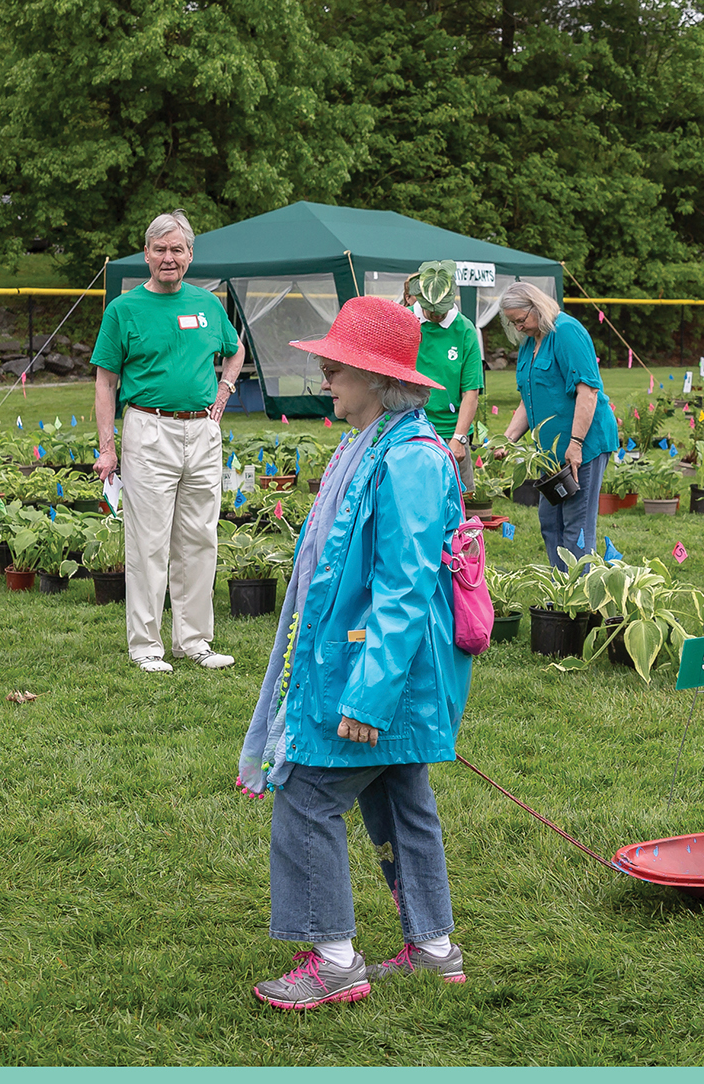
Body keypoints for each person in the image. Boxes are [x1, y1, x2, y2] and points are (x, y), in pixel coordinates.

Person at [238, 294, 471, 1010]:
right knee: (401, 798)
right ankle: (433, 948)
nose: (326, 381)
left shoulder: (409, 462)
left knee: (306, 796)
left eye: (336, 369)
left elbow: (403, 588)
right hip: (373, 663)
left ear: (376, 379)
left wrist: (369, 694)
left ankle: (333, 959)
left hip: (378, 672)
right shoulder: (368, 445)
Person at [93, 210, 243, 674]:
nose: (168, 258)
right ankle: (146, 647)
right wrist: (107, 446)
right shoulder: (123, 310)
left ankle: (194, 641)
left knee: (200, 539)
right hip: (148, 429)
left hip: (202, 431)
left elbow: (234, 350)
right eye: (160, 249)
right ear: (146, 254)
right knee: (148, 542)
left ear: (190, 255)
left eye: (177, 249)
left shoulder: (208, 304)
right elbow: (105, 381)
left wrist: (225, 391)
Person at [498, 282, 619, 570]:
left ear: (536, 306)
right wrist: (507, 440)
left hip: (583, 447)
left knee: (576, 526)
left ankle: (578, 599)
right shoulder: (530, 343)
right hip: (551, 454)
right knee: (550, 521)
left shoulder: (566, 332)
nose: (518, 327)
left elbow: (587, 391)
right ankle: (561, 588)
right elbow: (529, 399)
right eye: (513, 322)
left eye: (521, 319)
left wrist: (575, 444)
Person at [405, 260, 484, 491]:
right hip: (409, 429)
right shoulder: (405, 321)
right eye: (432, 309)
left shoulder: (465, 329)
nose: (437, 314)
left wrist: (459, 439)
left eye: (443, 309)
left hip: (452, 433)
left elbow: (471, 391)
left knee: (459, 505)